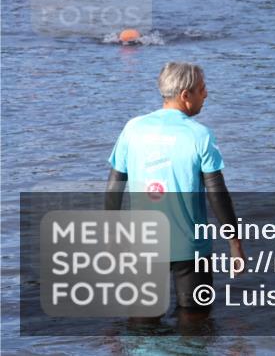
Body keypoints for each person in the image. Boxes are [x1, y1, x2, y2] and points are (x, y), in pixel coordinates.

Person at [105, 62, 246, 317]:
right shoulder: (200, 135)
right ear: (185, 95)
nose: (206, 94)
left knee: (142, 325)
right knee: (196, 323)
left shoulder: (133, 128)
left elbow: (114, 186)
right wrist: (234, 243)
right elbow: (217, 193)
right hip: (190, 248)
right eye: (202, 89)